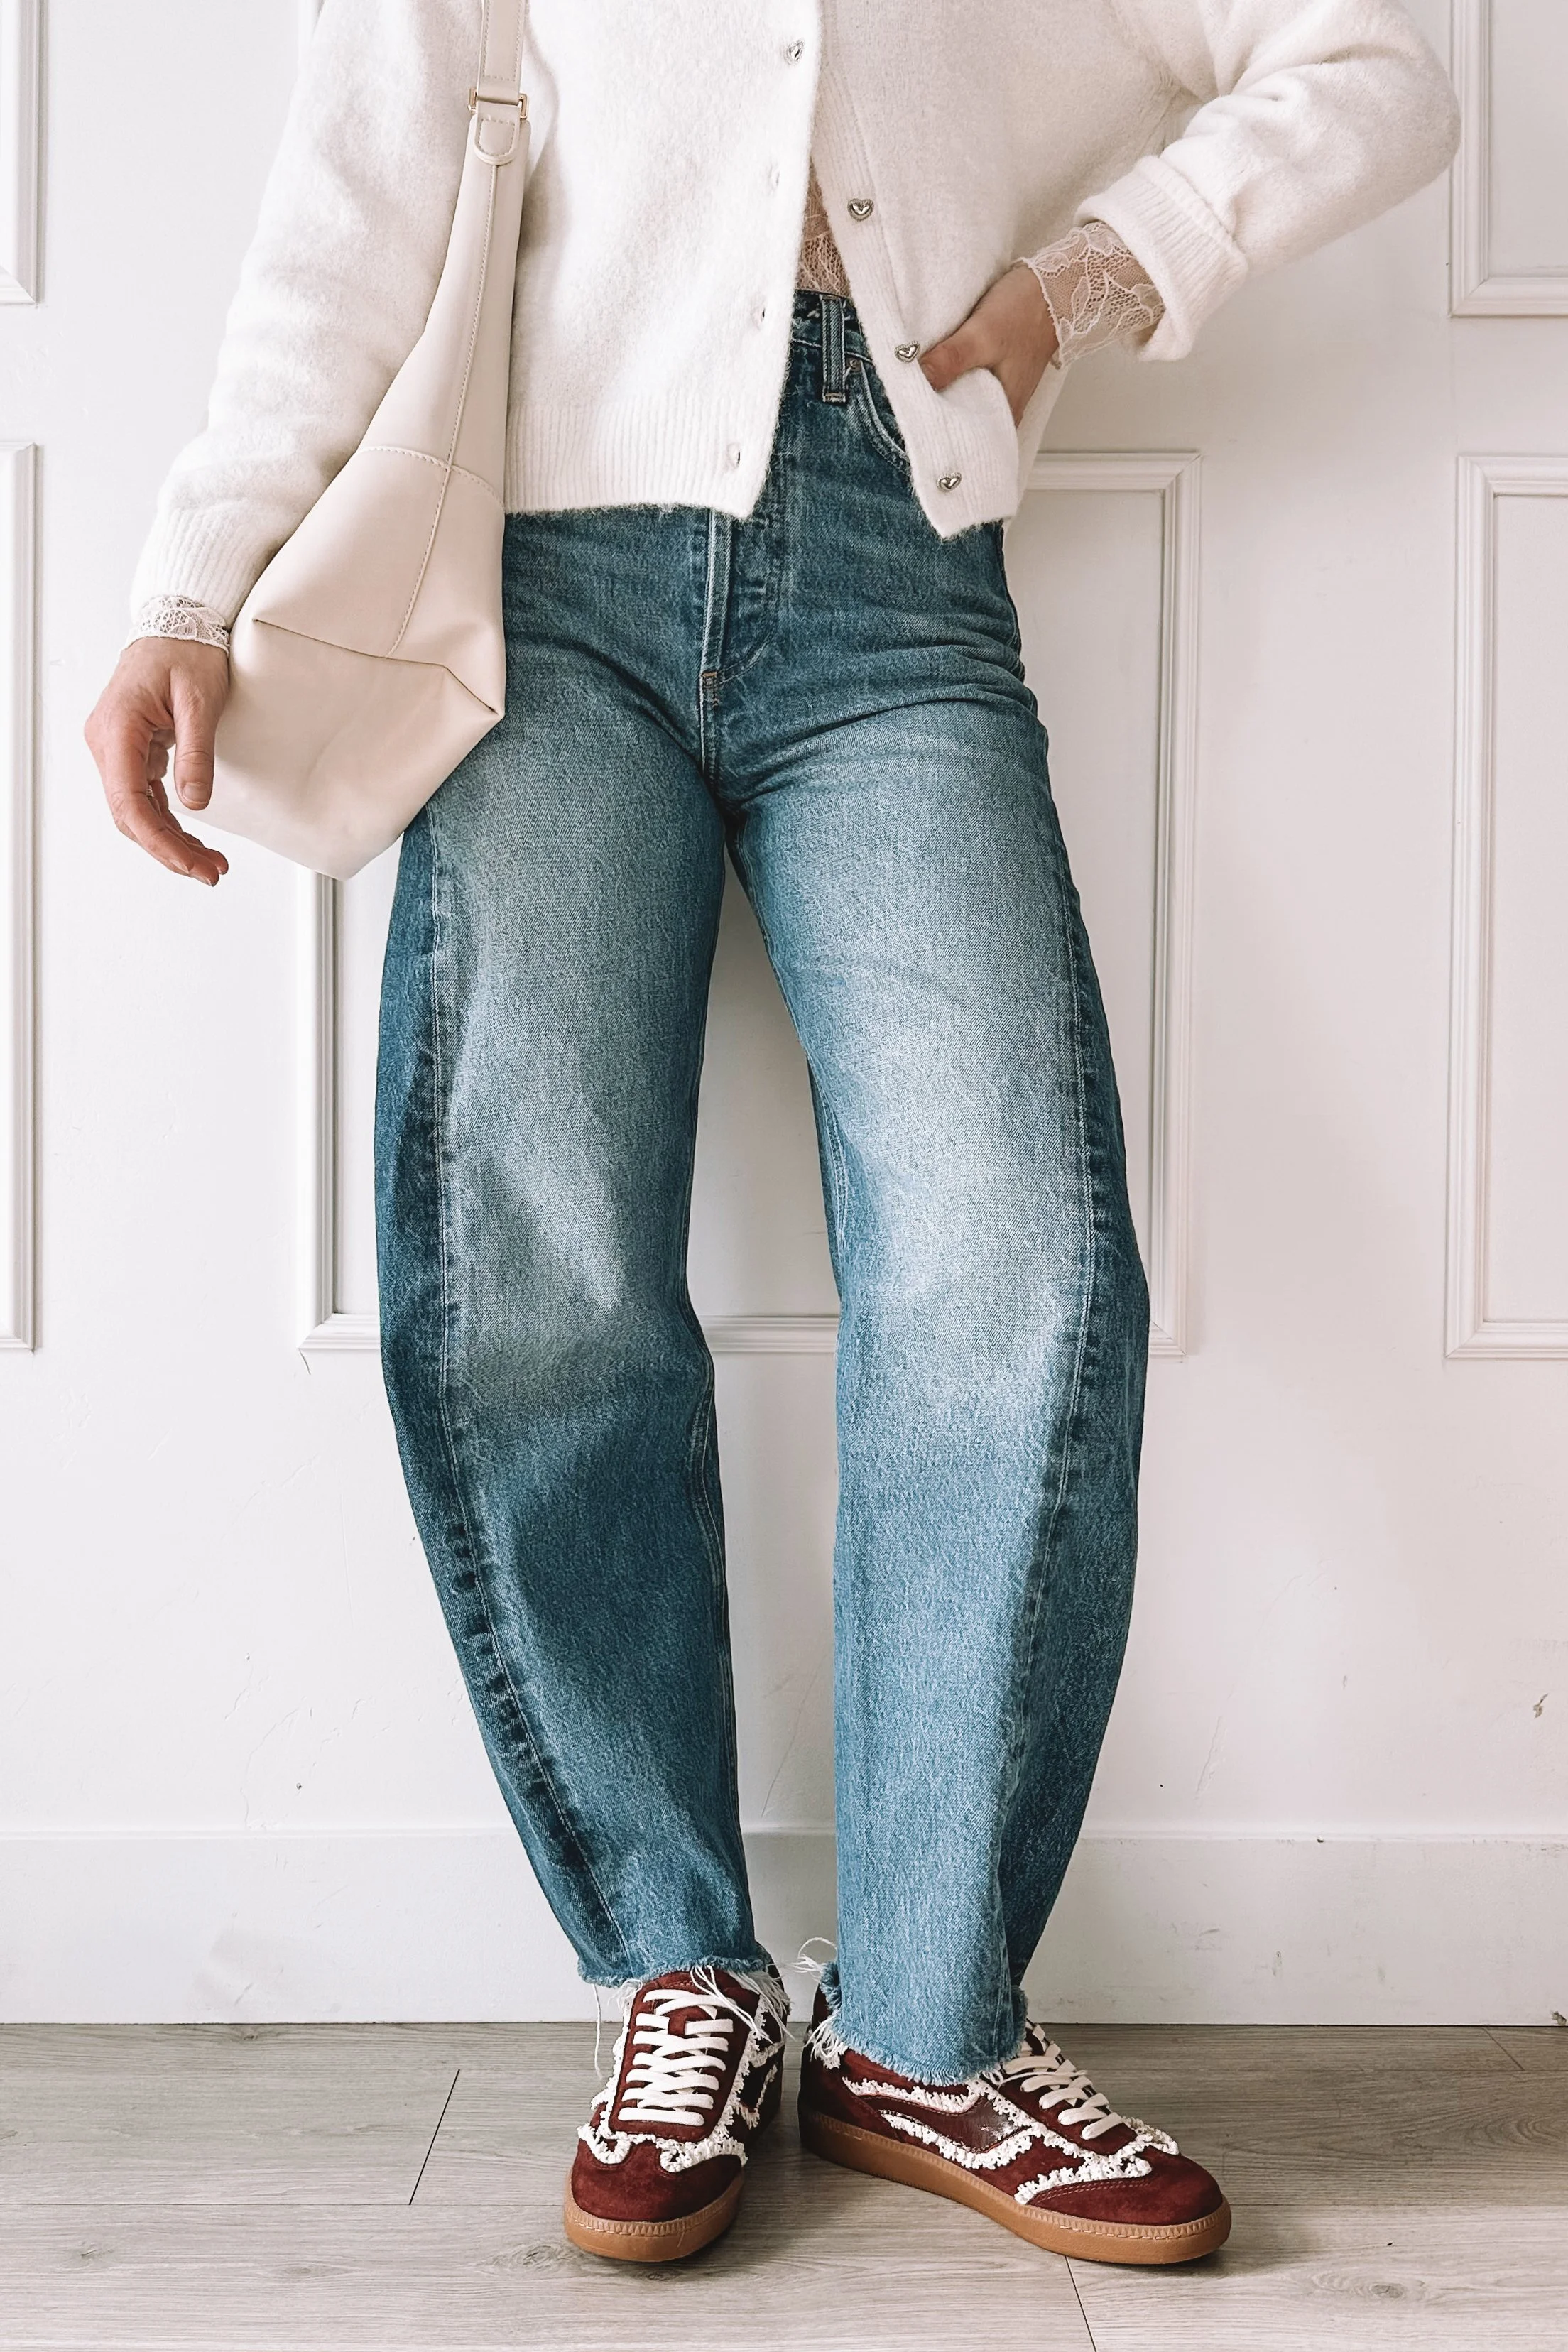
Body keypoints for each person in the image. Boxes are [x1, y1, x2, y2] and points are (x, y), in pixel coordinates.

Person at [86, 0, 1459, 2271]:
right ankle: (674, 1967)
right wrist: (183, 585)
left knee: (1020, 1257)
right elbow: (358, 187)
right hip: (538, 576)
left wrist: (1062, 295)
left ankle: (927, 2028)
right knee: (524, 1260)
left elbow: (1376, 64)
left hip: (898, 577)